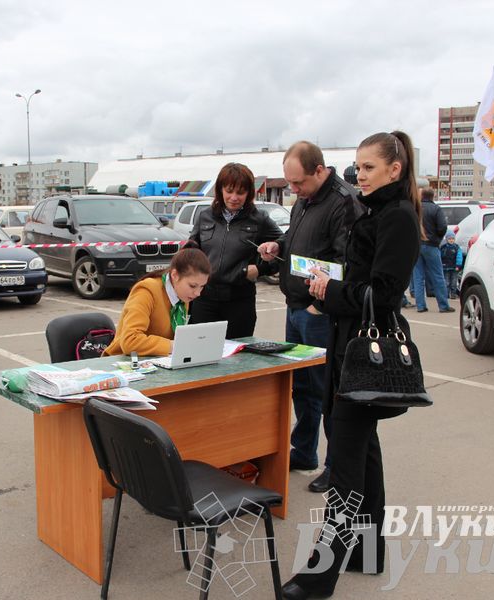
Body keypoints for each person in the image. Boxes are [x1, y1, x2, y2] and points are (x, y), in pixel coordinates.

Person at [279, 131, 421, 600]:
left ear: (394, 170)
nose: (358, 175)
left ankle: (319, 577)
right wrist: (331, 282)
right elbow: (361, 280)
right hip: (347, 348)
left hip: (364, 350)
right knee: (365, 455)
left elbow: (383, 295)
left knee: (343, 463)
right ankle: (368, 550)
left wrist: (330, 292)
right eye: (357, 167)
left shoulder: (397, 217)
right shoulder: (377, 210)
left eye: (368, 168)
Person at [257, 141, 362, 493]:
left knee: (328, 389)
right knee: (302, 387)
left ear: (320, 170)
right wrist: (279, 247)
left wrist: (321, 305)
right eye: (289, 184)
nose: (293, 190)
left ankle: (336, 466)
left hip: (320, 312)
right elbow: (297, 239)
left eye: (298, 183)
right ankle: (304, 452)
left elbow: (347, 261)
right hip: (296, 307)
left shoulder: (343, 202)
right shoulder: (306, 198)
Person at [187, 163, 282, 338]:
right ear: (220, 190)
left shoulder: (259, 220)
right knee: (200, 357)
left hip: (239, 303)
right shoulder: (205, 216)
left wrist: (260, 269)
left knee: (238, 360)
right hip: (204, 300)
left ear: (249, 193)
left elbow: (284, 247)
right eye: (229, 190)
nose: (234, 197)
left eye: (240, 192)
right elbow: (192, 250)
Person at [103, 247, 211, 356]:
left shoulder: (182, 294)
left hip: (157, 361)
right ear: (175, 275)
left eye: (202, 286)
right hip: (122, 362)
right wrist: (174, 346)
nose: (198, 293)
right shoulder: (146, 290)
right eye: (193, 286)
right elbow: (130, 341)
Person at [412, 188, 454, 313]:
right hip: (431, 245)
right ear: (432, 196)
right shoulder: (436, 209)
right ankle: (443, 305)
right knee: (437, 275)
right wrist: (437, 238)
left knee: (418, 277)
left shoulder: (415, 209)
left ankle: (420, 306)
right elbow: (442, 227)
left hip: (417, 245)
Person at [440, 233, 463, 299]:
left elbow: (459, 257)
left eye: (452, 239)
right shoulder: (443, 247)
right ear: (446, 239)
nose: (451, 240)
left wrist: (458, 265)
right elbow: (440, 256)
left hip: (454, 267)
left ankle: (453, 294)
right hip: (445, 267)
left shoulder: (456, 247)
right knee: (446, 282)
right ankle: (446, 294)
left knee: (454, 282)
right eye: (449, 239)